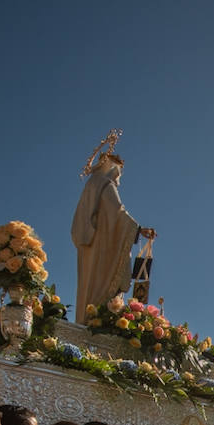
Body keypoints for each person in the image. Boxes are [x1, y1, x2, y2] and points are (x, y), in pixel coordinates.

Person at [71, 133, 155, 319]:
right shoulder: (105, 185)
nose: (119, 177)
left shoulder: (92, 184)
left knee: (89, 287)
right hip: (103, 247)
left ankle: (88, 318)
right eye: (118, 171)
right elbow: (118, 213)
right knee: (103, 292)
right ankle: (97, 320)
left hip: (91, 247)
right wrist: (139, 230)